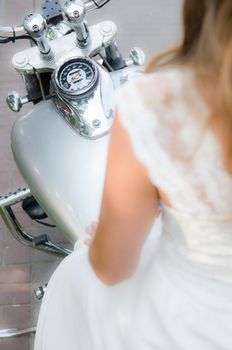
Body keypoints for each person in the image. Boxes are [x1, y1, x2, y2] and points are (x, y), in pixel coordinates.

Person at [34, 0, 232, 349]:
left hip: (186, 324)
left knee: (77, 276)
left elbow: (113, 267)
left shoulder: (157, 105)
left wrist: (105, 241)